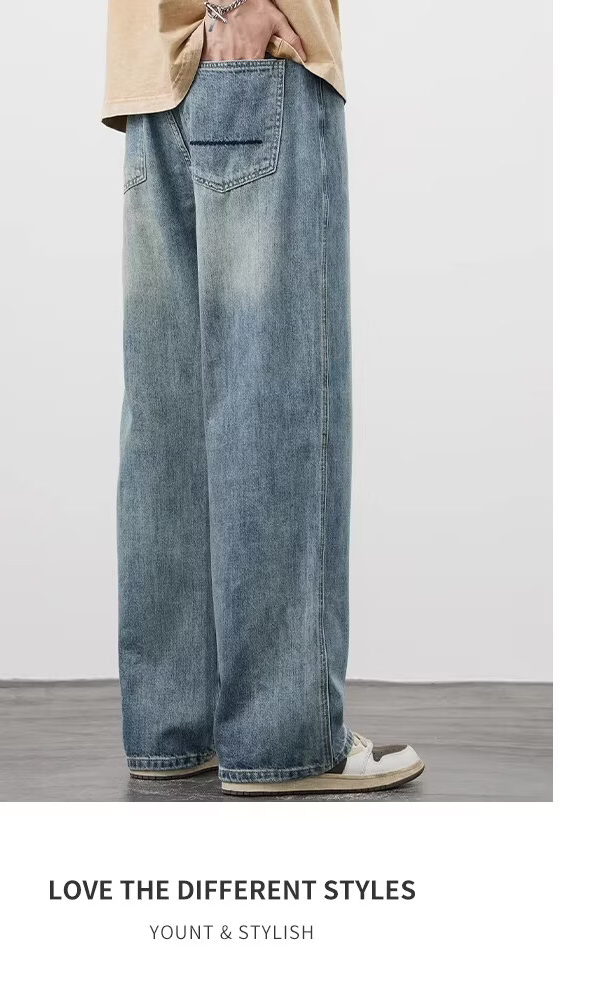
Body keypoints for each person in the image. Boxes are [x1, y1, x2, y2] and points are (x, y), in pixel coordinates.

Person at [103, 0, 424, 795]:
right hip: (260, 59)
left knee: (169, 426)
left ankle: (172, 727)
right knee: (275, 405)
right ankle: (287, 739)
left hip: (148, 76)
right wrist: (240, 9)